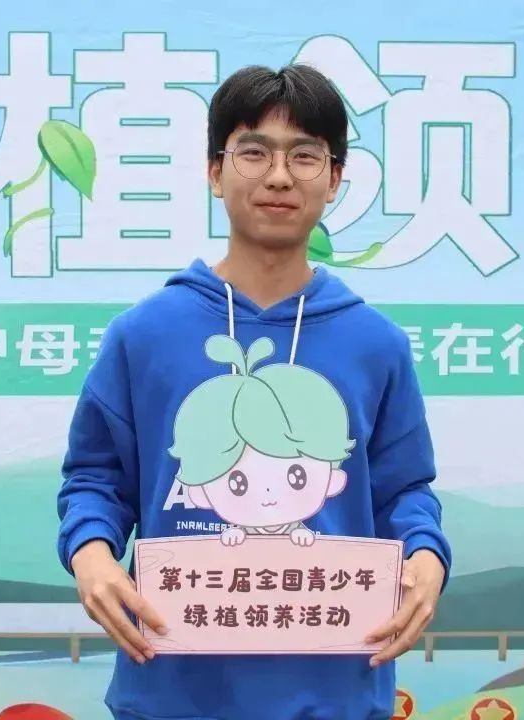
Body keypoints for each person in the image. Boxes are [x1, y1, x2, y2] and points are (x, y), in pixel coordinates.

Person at [56, 62, 452, 720]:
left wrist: (426, 556)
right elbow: (96, 479)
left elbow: (405, 490)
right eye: (254, 152)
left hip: (335, 695)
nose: (279, 176)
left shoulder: (375, 344)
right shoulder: (144, 334)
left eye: (305, 155)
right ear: (215, 171)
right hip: (172, 695)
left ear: (335, 178)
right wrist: (92, 555)